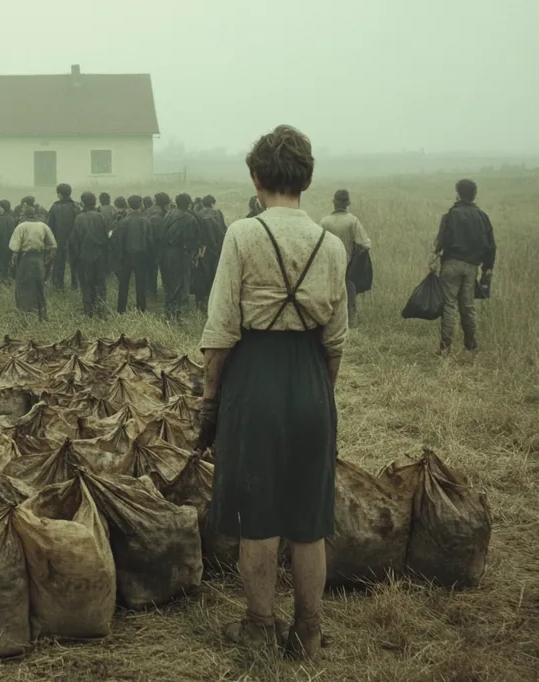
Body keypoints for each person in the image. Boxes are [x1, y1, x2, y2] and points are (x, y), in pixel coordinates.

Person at [198, 125, 347, 659]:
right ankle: (308, 632)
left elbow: (220, 332)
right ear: (306, 179)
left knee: (256, 515)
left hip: (254, 381)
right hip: (310, 381)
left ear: (256, 178)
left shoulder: (242, 235)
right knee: (310, 518)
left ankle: (259, 627)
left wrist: (211, 400)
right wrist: (318, 400)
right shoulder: (331, 244)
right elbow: (336, 341)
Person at [433, 179, 496, 353]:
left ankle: (445, 347)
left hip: (451, 264)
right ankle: (471, 344)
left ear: (458, 194)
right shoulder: (483, 216)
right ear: (474, 195)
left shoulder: (451, 214)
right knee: (467, 306)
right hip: (471, 267)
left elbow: (439, 243)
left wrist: (436, 255)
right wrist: (487, 268)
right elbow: (490, 246)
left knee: (448, 305)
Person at [320, 190, 371, 322]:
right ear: (347, 203)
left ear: (334, 202)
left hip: (329, 268)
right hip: (349, 269)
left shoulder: (325, 222)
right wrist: (353, 266)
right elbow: (364, 245)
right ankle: (350, 322)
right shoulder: (352, 221)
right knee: (349, 298)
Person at [9, 204, 57, 320]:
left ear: (25, 215)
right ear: (35, 214)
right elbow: (53, 246)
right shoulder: (43, 226)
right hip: (39, 258)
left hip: (25, 258)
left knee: (22, 285)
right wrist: (49, 259)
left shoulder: (21, 227)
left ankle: (25, 312)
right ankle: (42, 313)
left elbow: (14, 250)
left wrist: (15, 264)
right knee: (39, 284)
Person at [69, 191, 109, 318]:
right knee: (100, 282)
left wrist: (74, 259)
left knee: (86, 283)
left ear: (82, 203)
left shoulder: (79, 218)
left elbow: (74, 240)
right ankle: (101, 310)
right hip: (100, 253)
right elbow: (106, 236)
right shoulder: (101, 217)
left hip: (84, 254)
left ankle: (88, 312)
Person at [112, 195, 153, 314]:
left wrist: (119, 258)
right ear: (141, 204)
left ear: (129, 205)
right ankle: (141, 308)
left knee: (123, 284)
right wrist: (151, 257)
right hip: (142, 256)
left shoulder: (124, 221)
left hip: (126, 256)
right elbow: (150, 240)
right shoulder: (146, 221)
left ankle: (121, 309)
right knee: (141, 284)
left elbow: (119, 241)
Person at [162, 193, 200, 320]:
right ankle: (179, 314)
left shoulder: (169, 214)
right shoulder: (190, 219)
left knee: (170, 282)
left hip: (167, 253)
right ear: (189, 203)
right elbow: (194, 240)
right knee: (183, 283)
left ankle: (169, 311)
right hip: (182, 255)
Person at [47, 184, 79, 292]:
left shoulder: (55, 207)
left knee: (58, 264)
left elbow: (49, 226)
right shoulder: (76, 206)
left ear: (59, 194)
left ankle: (58, 286)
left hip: (58, 240)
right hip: (74, 240)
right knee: (75, 264)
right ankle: (75, 285)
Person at [147, 193, 171, 298]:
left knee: (152, 270)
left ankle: (152, 292)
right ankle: (165, 291)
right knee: (165, 270)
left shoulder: (151, 211)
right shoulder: (163, 213)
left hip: (152, 245)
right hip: (162, 246)